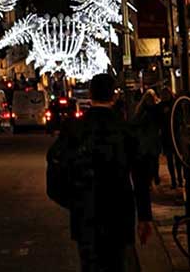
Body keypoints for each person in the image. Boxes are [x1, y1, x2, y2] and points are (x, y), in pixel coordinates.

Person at [46, 73, 152, 272]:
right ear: (113, 96)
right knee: (118, 263)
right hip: (119, 213)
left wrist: (73, 201)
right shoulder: (124, 129)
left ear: (90, 94)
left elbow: (54, 171)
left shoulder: (75, 129)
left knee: (90, 265)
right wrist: (145, 216)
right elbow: (140, 174)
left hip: (86, 214)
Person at [132, 89, 162, 186]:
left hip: (151, 137)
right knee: (150, 159)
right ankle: (151, 178)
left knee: (153, 159)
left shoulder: (154, 109)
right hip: (147, 138)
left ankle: (154, 176)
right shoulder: (146, 109)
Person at [159, 87, 183, 189]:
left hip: (175, 134)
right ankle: (173, 180)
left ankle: (180, 179)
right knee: (169, 159)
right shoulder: (160, 106)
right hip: (166, 136)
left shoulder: (175, 104)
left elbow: (180, 118)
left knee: (177, 159)